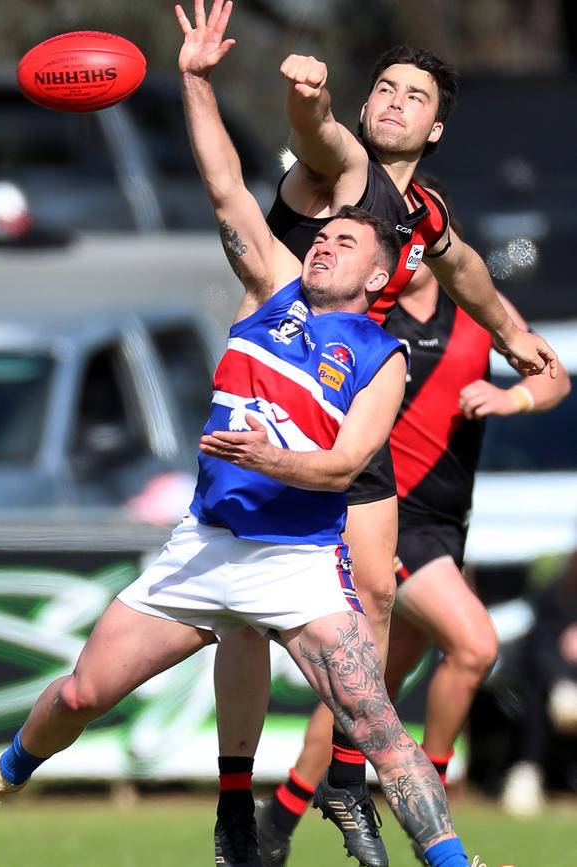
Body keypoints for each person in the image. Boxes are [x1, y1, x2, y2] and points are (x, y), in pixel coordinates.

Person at [0, 4, 473, 867]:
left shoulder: (383, 353)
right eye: (321, 233)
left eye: (345, 237)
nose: (324, 240)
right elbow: (226, 185)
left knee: (378, 723)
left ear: (381, 270)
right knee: (82, 690)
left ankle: (452, 862)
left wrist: (269, 457)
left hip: (296, 563)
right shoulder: (270, 288)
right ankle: (1, 769)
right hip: (205, 546)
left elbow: (339, 469)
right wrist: (193, 79)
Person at [212, 31, 558, 867]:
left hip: (348, 419)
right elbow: (316, 133)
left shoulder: (420, 213)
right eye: (387, 90)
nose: (397, 103)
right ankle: (250, 801)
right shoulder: (341, 173)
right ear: (367, 107)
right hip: (277, 410)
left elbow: (466, 265)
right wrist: (306, 94)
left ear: (437, 128)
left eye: (418, 96)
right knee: (235, 624)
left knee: (371, 602)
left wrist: (516, 339)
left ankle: (332, 783)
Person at [254, 224, 570, 867]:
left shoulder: (479, 309)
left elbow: (553, 378)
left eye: (431, 231)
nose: (419, 244)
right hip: (388, 517)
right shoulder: (371, 308)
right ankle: (432, 805)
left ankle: (278, 820)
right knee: (476, 643)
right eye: (407, 231)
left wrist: (513, 397)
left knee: (366, 689)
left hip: (448, 523)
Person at [500, 547, 577, 816]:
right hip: (552, 683)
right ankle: (527, 771)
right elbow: (542, 643)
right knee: (537, 689)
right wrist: (562, 680)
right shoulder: (558, 589)